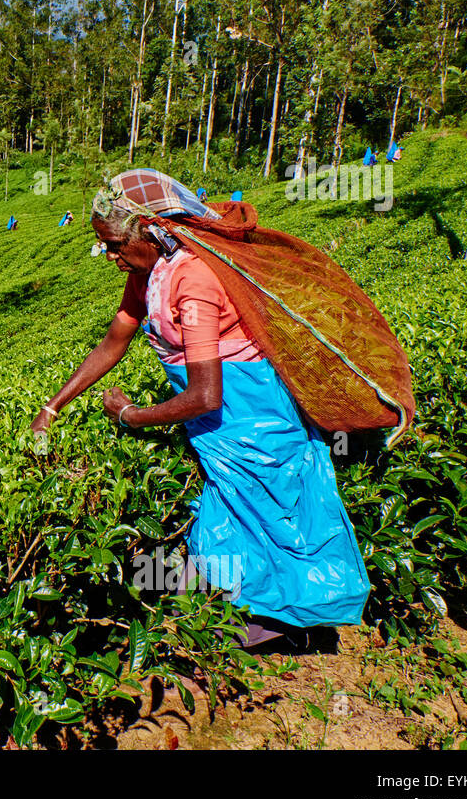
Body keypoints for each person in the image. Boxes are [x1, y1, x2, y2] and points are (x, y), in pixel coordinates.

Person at [30, 174, 371, 650]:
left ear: (147, 232)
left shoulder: (194, 278)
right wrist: (52, 406)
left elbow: (206, 395)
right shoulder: (148, 273)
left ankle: (284, 624)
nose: (109, 255)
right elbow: (113, 342)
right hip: (220, 419)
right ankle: (261, 617)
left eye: (113, 244)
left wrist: (129, 414)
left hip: (250, 416)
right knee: (238, 521)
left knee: (266, 517)